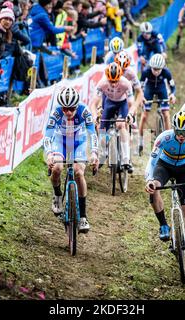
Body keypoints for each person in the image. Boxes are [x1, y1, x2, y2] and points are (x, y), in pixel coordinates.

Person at [144, 110, 185, 266]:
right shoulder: (164, 138)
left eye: (184, 132)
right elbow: (151, 162)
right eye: (178, 131)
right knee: (154, 187)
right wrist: (149, 180)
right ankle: (163, 224)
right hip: (164, 166)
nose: (181, 135)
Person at [43, 87, 99, 232]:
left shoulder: (84, 110)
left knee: (78, 172)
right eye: (65, 109)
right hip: (60, 141)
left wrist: (94, 152)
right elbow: (48, 136)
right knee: (57, 168)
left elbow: (92, 133)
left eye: (72, 109)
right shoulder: (55, 112)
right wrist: (49, 154)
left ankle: (83, 217)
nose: (68, 112)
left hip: (79, 142)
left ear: (77, 106)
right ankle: (57, 195)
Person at [89, 62, 136, 173]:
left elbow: (131, 104)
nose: (114, 84)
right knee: (102, 128)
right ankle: (104, 152)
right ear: (107, 78)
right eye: (111, 81)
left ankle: (126, 159)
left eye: (116, 81)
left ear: (120, 77)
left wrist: (130, 114)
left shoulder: (126, 83)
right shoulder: (102, 83)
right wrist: (95, 116)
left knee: (120, 124)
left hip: (122, 104)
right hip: (109, 103)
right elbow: (93, 104)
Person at [138, 53, 176, 155]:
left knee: (166, 114)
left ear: (162, 68)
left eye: (158, 69)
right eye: (154, 69)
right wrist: (141, 97)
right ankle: (140, 141)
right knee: (144, 115)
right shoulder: (146, 71)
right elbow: (140, 87)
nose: (156, 72)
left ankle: (169, 140)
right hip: (149, 89)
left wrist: (172, 95)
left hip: (161, 89)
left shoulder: (166, 72)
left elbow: (172, 86)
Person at [114, 50, 143, 115]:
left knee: (131, 114)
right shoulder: (110, 71)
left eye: (124, 69)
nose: (121, 71)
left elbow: (140, 92)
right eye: (119, 69)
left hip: (127, 93)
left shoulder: (131, 72)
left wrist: (134, 107)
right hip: (114, 93)